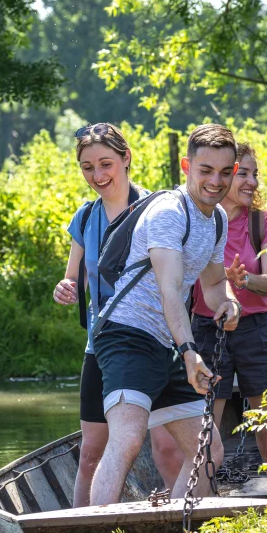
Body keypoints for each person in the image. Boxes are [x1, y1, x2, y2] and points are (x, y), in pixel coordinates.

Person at [89, 124, 242, 506]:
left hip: (166, 341)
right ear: (186, 166)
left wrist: (229, 302)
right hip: (126, 332)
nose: (215, 181)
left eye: (225, 172)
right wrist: (190, 351)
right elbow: (170, 289)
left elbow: (210, 286)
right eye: (205, 170)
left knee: (208, 451)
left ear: (234, 170)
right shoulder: (170, 212)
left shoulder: (217, 220)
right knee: (127, 438)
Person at [53, 122, 176, 507]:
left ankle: (185, 528)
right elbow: (72, 277)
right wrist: (65, 288)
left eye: (106, 164)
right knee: (91, 451)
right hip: (102, 346)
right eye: (87, 167)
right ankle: (77, 532)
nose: (97, 176)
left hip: (154, 341)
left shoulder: (156, 211)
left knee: (168, 449)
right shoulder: (86, 218)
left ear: (126, 159)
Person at [191, 141, 267, 498]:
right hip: (207, 331)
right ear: (224, 177)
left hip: (257, 333)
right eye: (242, 174)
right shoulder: (199, 219)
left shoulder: (264, 224)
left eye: (254, 174)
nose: (251, 182)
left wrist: (242, 279)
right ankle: (201, 516)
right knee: (207, 435)